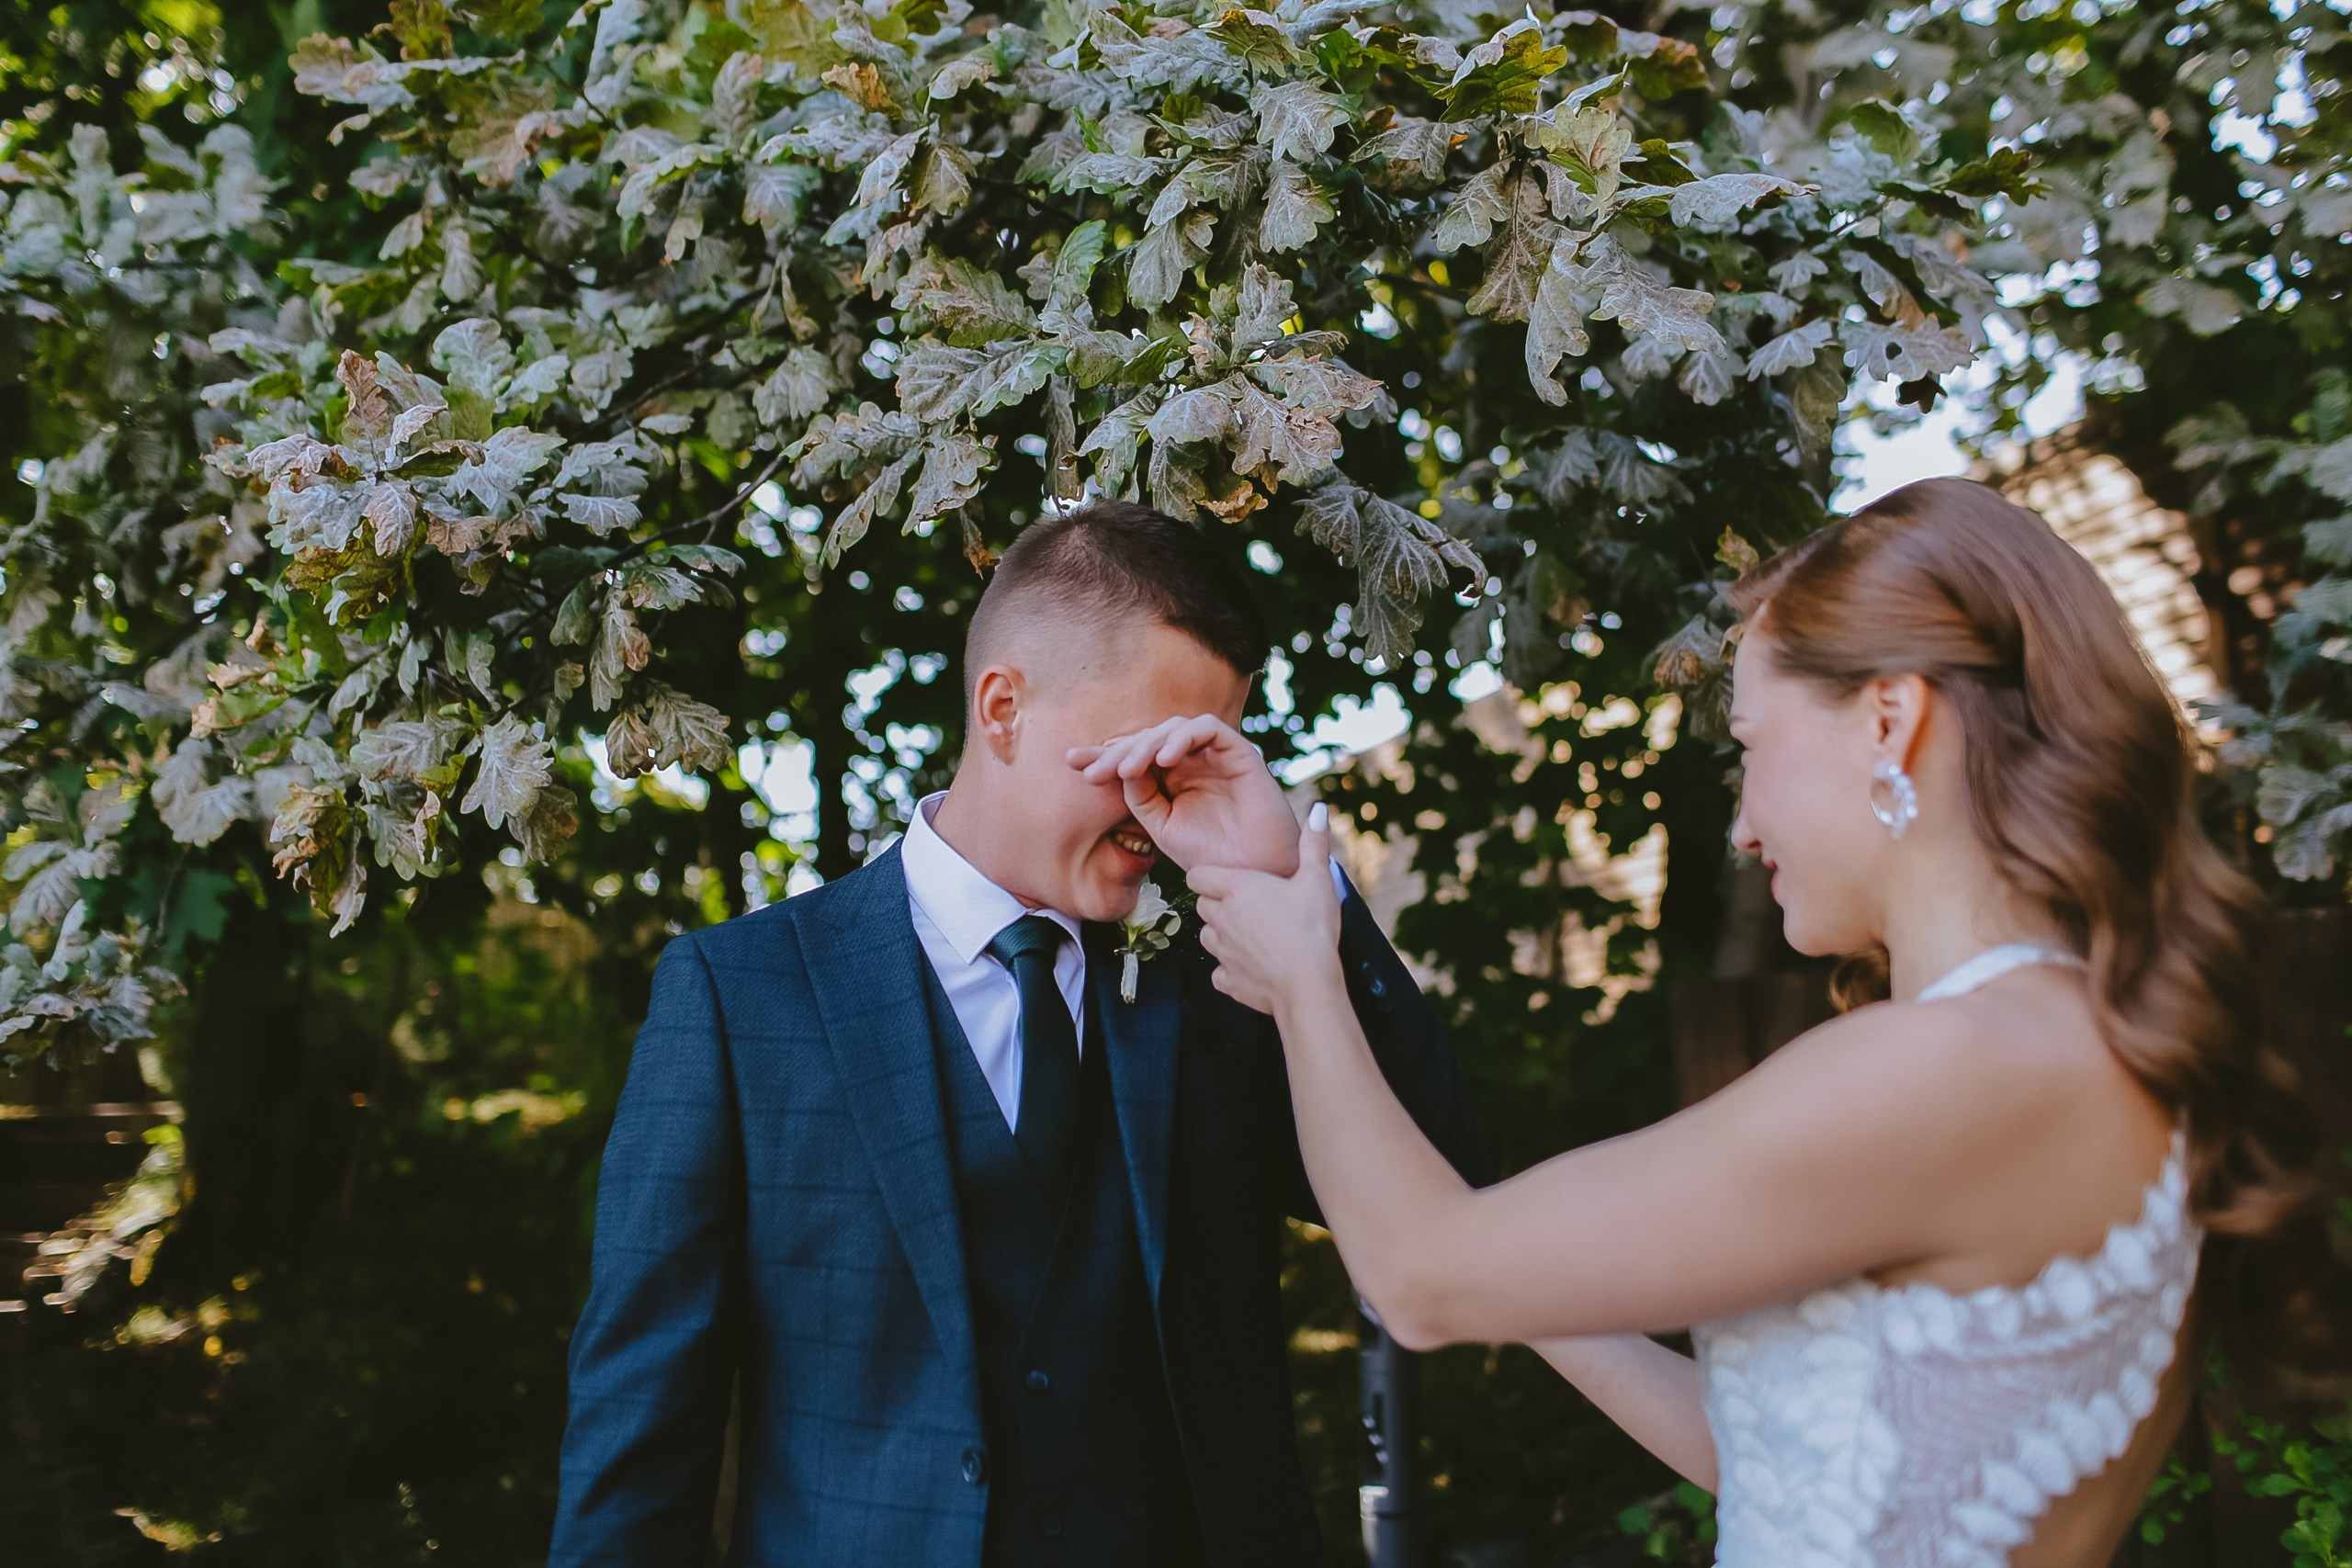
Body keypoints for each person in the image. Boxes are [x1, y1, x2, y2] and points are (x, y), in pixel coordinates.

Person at [1170, 477, 2348, 1567]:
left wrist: (1302, 978)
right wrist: (1520, 1278)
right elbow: (1780, 1465)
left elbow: (1417, 1278)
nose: (1740, 824)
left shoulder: (1940, 1068)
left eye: (1749, 747)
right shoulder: (2089, 1046)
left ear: (1889, 720)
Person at [548, 500, 1491, 1567]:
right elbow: (642, 1422)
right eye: (1139, 753)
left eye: (1193, 759)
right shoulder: (741, 998)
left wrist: (1287, 881)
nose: (1158, 802)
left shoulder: (1230, 969)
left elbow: (1455, 1191)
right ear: (1002, 710)